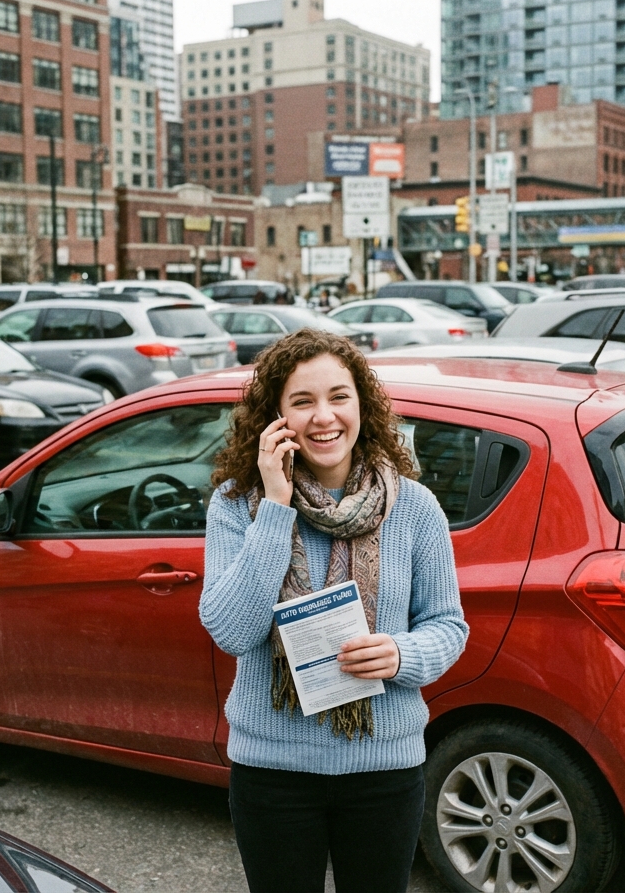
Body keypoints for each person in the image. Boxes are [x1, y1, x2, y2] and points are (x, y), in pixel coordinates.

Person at [199, 329, 468, 893]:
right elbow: (231, 629)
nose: (324, 417)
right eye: (302, 401)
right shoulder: (236, 505)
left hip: (383, 768)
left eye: (338, 397)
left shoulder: (415, 509)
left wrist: (400, 654)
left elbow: (448, 626)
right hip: (273, 772)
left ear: (362, 406)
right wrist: (274, 509)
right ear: (275, 417)